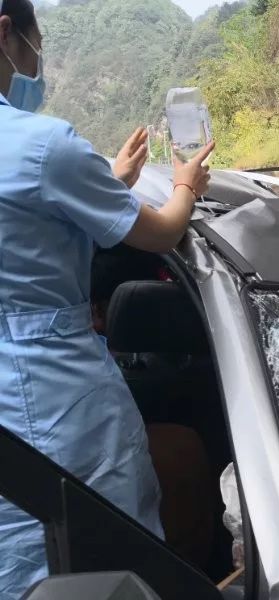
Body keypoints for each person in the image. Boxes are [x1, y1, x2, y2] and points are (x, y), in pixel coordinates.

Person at [0, 1, 213, 596]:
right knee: (92, 543)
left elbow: (24, 225)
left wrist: (109, 182)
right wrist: (185, 185)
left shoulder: (41, 158)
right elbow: (165, 232)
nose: (35, 60)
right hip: (51, 391)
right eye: (34, 42)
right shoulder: (42, 145)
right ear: (5, 35)